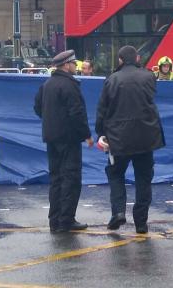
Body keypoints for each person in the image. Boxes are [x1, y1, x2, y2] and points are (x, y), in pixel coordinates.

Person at [95, 45, 165, 234]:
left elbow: (102, 110)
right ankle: (141, 222)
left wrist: (100, 132)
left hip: (119, 138)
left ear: (119, 60)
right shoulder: (149, 76)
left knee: (116, 174)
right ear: (137, 58)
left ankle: (118, 212)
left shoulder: (111, 80)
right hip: (146, 137)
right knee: (144, 178)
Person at [34, 49, 93, 233]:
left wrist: (51, 120)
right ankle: (66, 219)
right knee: (71, 178)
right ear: (66, 65)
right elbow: (77, 113)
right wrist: (87, 135)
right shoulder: (70, 85)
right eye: (74, 63)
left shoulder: (47, 84)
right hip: (69, 139)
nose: (76, 66)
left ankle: (54, 219)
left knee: (56, 178)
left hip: (51, 137)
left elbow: (37, 108)